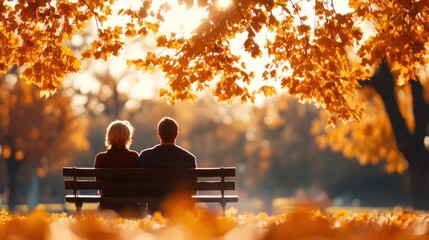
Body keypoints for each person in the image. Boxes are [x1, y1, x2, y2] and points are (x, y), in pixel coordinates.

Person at [138, 117, 197, 213]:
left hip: (154, 208)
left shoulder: (146, 156)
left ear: (159, 135)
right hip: (179, 209)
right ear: (176, 135)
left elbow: (140, 188)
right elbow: (193, 189)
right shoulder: (189, 158)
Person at [94, 120, 139, 217]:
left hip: (107, 206)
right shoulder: (134, 157)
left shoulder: (100, 158)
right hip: (130, 207)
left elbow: (100, 186)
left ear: (109, 137)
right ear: (128, 138)